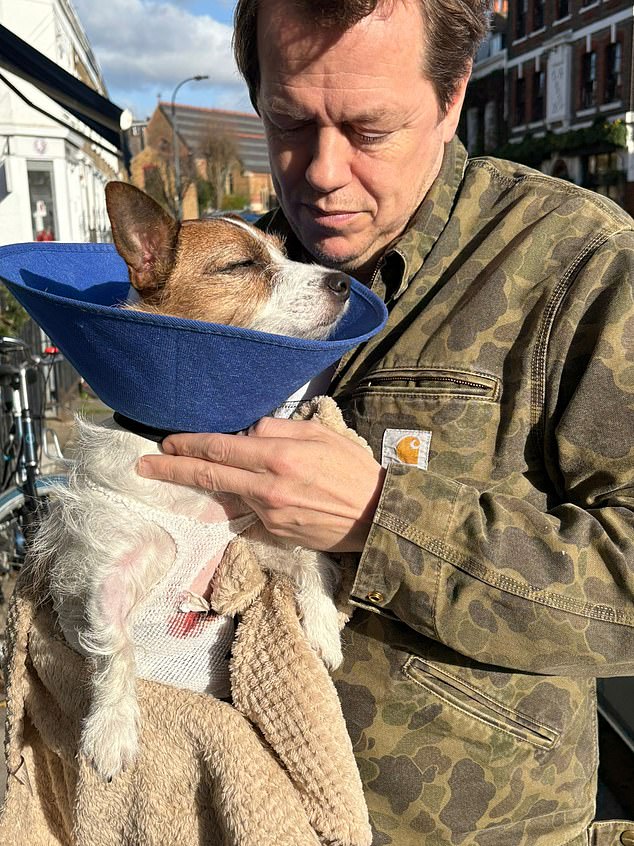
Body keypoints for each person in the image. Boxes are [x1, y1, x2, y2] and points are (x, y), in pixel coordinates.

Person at [138, 1, 634, 844]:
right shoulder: (223, 267)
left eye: (369, 129)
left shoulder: (578, 262)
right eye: (290, 121)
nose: (323, 172)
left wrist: (382, 520)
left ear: (452, 95)